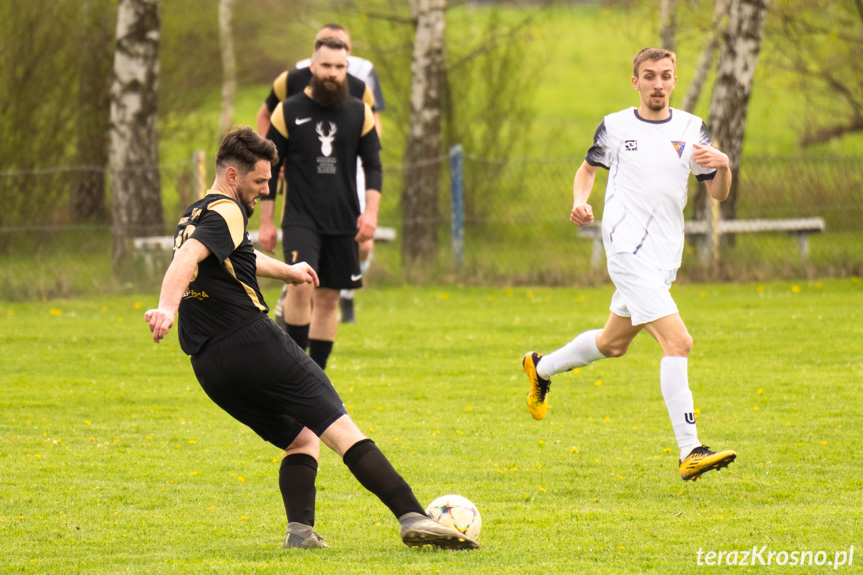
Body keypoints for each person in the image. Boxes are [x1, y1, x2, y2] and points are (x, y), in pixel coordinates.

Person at [144, 127, 478, 550]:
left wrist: (290, 271)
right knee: (338, 425)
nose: (266, 190)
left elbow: (235, 253)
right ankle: (412, 515)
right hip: (252, 343)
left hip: (209, 365)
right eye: (260, 181)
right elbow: (187, 260)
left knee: (301, 437)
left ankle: (300, 532)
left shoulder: (196, 214)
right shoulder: (227, 210)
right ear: (232, 175)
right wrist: (166, 308)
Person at [522, 48, 737, 482]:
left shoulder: (692, 128)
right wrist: (580, 203)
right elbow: (587, 170)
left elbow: (718, 194)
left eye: (666, 76)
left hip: (663, 257)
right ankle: (690, 449)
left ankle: (540, 367)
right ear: (635, 81)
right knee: (679, 342)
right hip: (624, 250)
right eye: (649, 75)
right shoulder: (616, 125)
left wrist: (726, 166)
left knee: (612, 343)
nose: (658, 83)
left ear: (675, 80)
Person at [260, 36, 380, 371]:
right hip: (301, 218)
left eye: (339, 67)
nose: (333, 73)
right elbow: (267, 168)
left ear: (347, 68)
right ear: (313, 66)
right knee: (301, 284)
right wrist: (266, 222)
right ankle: (298, 373)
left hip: (344, 220)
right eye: (326, 66)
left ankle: (318, 377)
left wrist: (370, 213)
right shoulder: (289, 110)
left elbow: (374, 166)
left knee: (328, 299)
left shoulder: (360, 112)